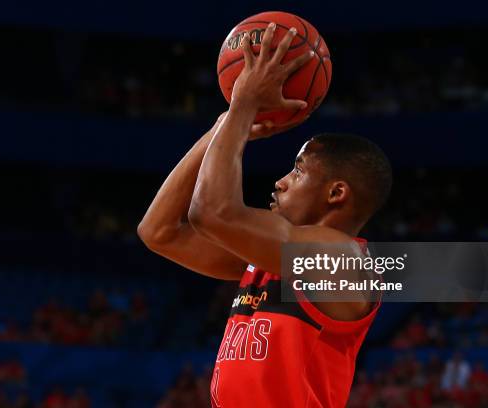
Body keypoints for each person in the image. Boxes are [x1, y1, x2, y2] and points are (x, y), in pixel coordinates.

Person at [138, 22, 392, 408]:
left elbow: (211, 212)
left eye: (299, 170)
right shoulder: (271, 260)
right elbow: (159, 231)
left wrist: (243, 105)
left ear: (336, 193)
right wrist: (220, 127)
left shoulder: (343, 262)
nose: (280, 181)